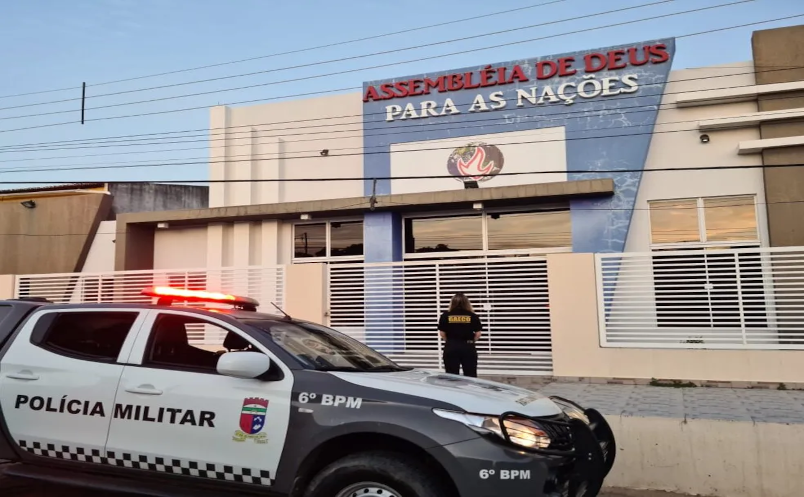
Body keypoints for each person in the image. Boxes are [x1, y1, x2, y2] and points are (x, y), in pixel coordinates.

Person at [438, 293, 483, 377]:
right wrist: (471, 341)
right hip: (468, 347)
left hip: (451, 347)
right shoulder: (472, 315)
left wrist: (450, 341)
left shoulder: (446, 315)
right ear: (467, 303)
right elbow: (478, 333)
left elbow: (442, 333)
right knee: (470, 375)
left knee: (451, 376)